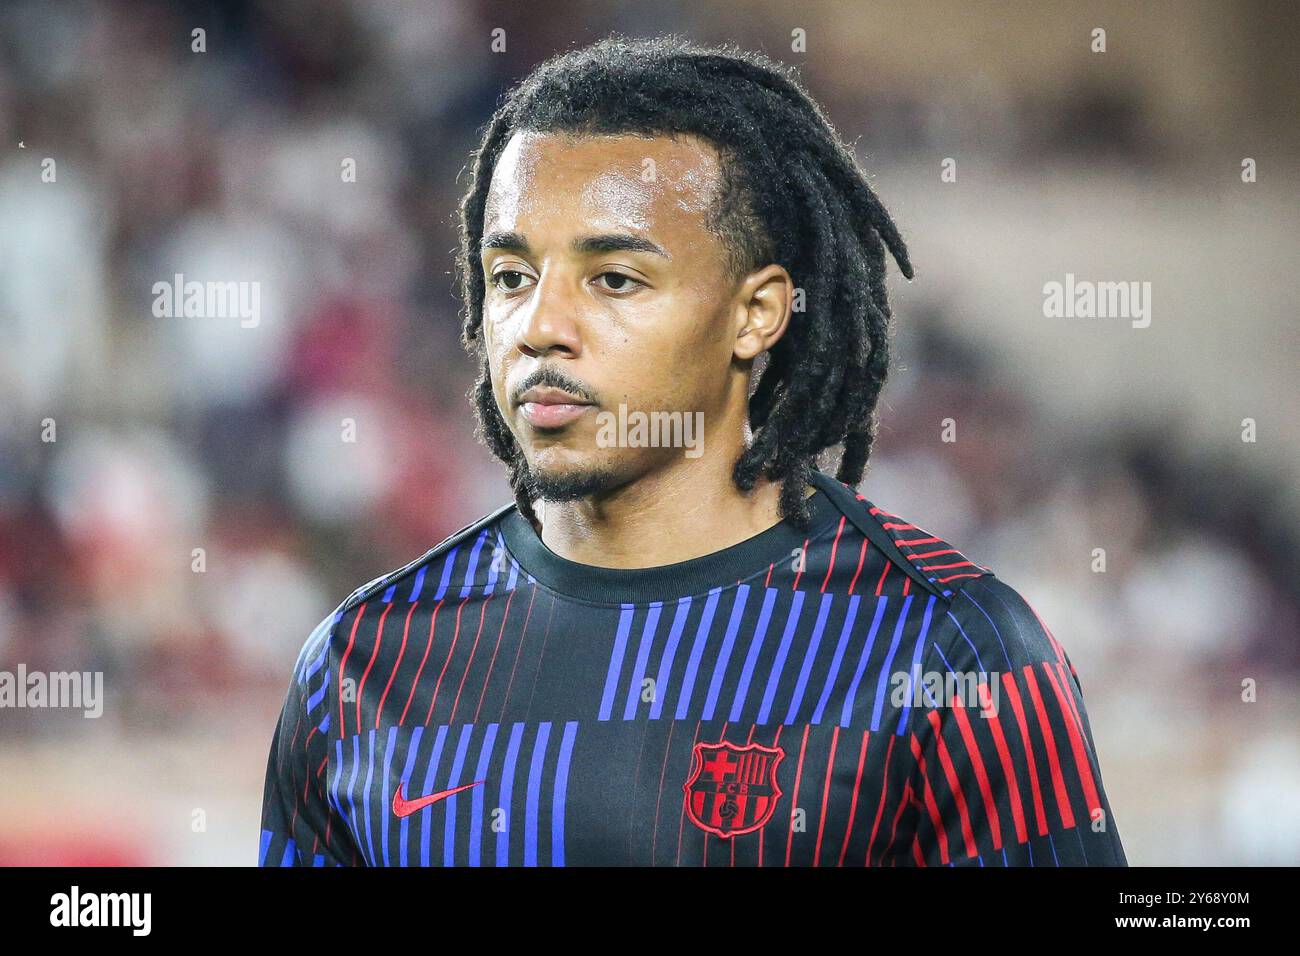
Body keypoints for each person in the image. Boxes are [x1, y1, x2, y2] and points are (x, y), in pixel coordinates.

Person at [259, 34, 1127, 867]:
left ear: (757, 314)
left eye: (615, 279)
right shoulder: (360, 662)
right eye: (511, 277)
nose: (539, 329)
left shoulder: (949, 651)